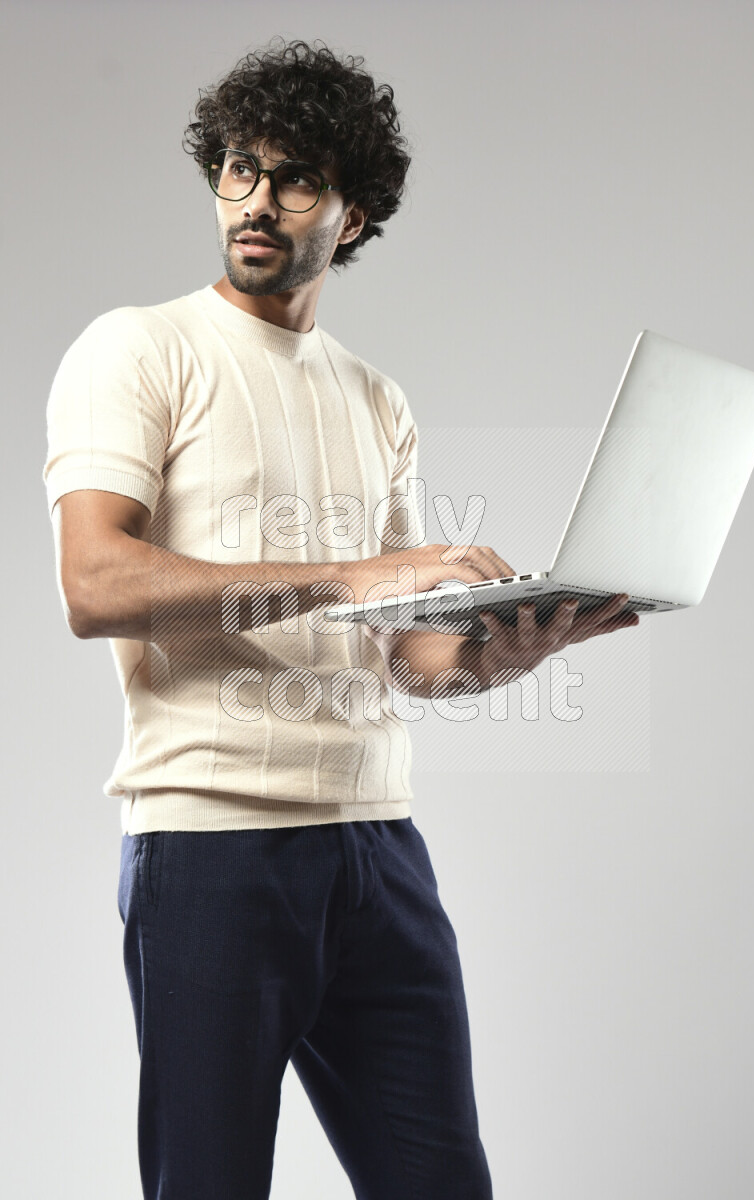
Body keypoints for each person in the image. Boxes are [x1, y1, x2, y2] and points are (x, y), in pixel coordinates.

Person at [42, 37, 638, 1200]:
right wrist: (348, 575)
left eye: (295, 178)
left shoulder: (376, 400)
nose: (256, 201)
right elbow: (95, 586)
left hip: (376, 851)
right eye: (236, 169)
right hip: (208, 850)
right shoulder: (140, 348)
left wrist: (514, 648)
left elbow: (409, 657)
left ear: (353, 214)